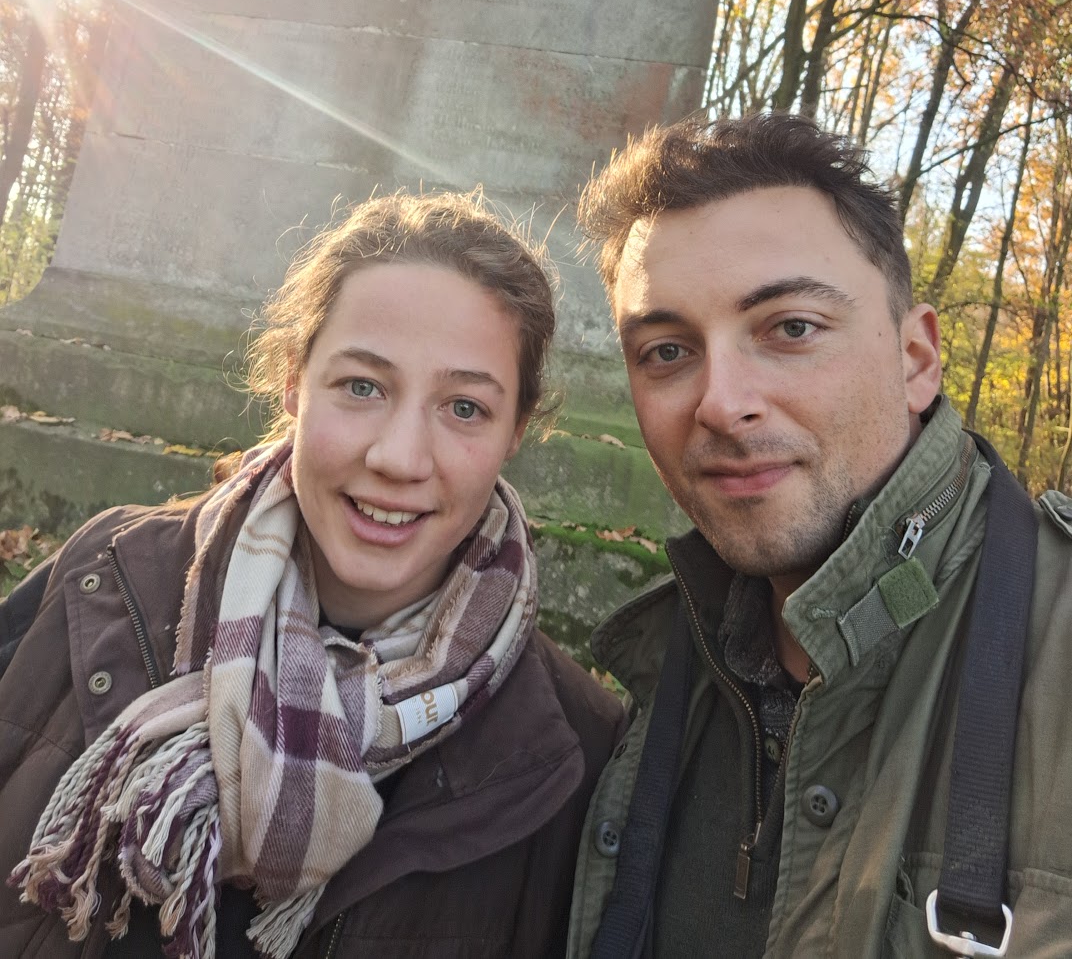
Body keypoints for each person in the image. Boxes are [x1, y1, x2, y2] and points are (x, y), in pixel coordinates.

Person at [0, 191, 623, 959]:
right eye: (362, 386)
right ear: (294, 382)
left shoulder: (572, 751)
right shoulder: (105, 577)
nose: (398, 457)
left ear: (515, 432)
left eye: (464, 407)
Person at [567, 113, 1072, 959]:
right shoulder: (647, 689)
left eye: (791, 328)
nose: (720, 402)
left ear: (917, 359)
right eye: (666, 351)